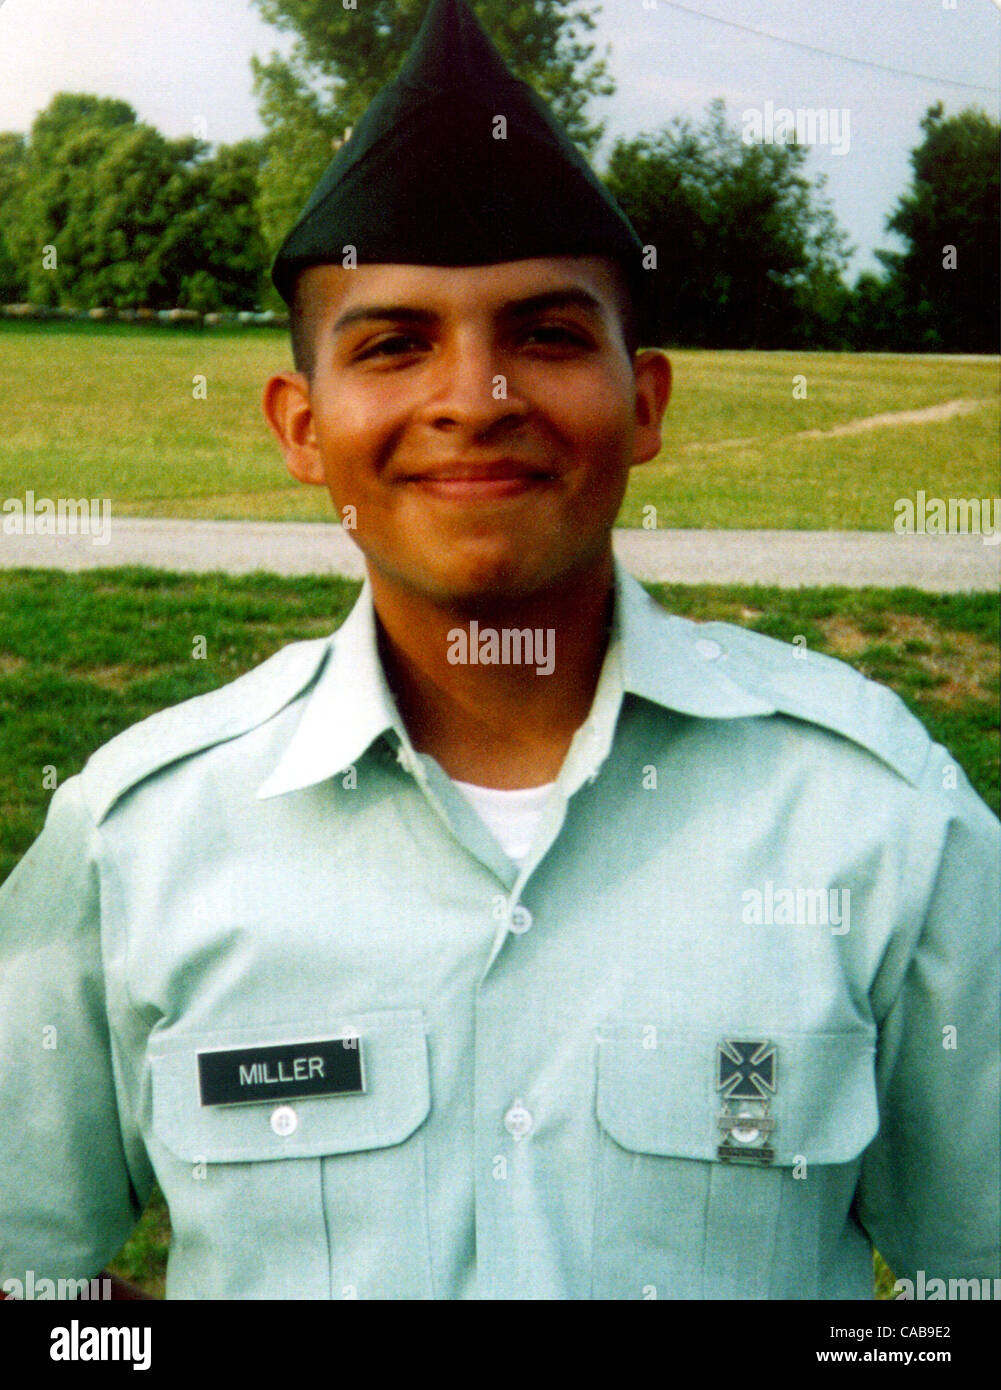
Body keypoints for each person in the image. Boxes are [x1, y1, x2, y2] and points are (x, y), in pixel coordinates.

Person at [1, 0, 997, 1302]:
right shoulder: (138, 836)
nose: (475, 401)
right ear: (301, 426)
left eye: (544, 333)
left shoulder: (876, 819)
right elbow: (33, 1279)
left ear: (642, 404)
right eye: (395, 343)